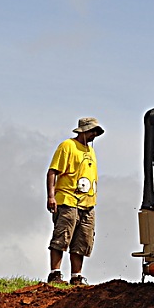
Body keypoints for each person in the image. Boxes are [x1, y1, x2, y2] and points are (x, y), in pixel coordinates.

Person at [46, 117, 104, 285]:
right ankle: (55, 273)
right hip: (67, 199)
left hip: (88, 203)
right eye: (92, 131)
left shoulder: (90, 151)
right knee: (62, 236)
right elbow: (52, 172)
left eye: (95, 132)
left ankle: (76, 276)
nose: (94, 135)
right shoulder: (67, 146)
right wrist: (51, 196)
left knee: (82, 240)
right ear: (84, 131)